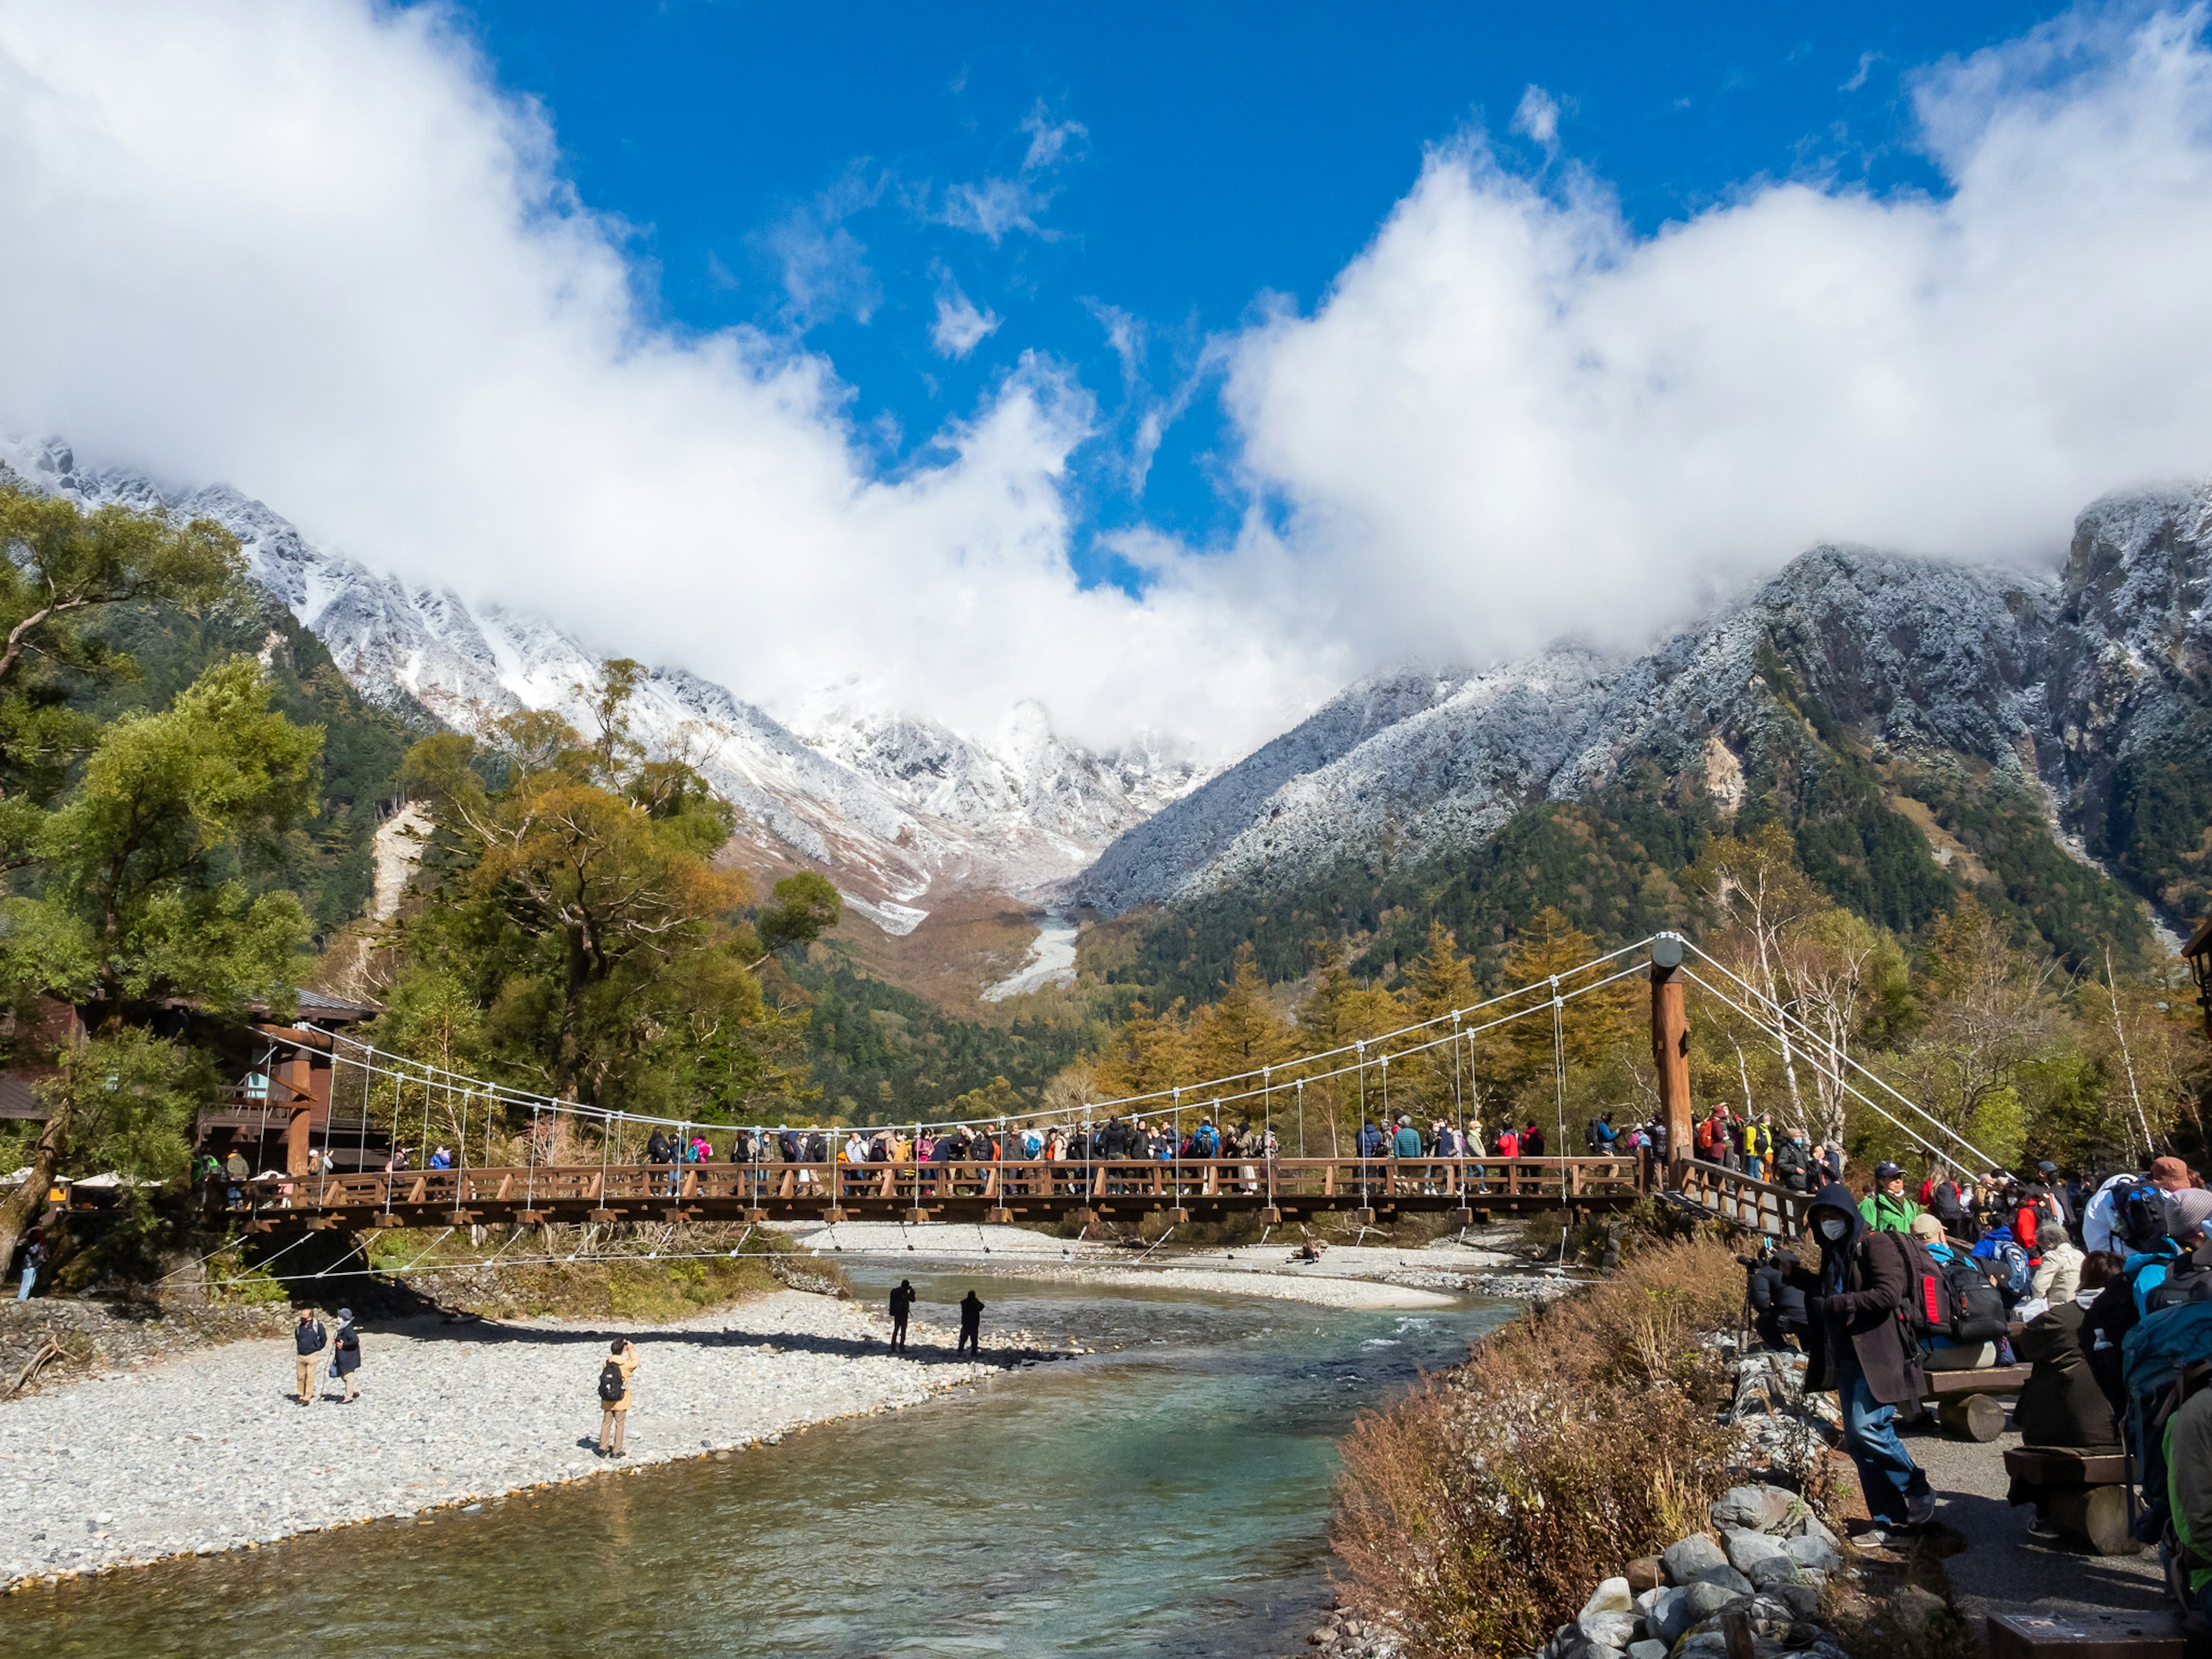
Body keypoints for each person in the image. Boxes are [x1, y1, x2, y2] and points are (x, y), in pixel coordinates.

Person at [1789, 1181, 1935, 1540]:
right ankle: (1888, 1520)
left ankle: (1916, 1486)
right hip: (1849, 1356)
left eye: (1834, 1216)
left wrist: (1837, 1305)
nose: (1828, 1223)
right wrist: (1793, 1275)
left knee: (1870, 1427)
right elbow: (1827, 1294)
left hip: (1880, 1353)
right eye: (1821, 1217)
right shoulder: (1835, 1253)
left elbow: (1887, 1294)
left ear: (1850, 1216)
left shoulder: (1875, 1244)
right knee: (1856, 1440)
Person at [2013, 1251, 2122, 1453]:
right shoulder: (2136, 1317)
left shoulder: (2056, 1320)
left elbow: (2027, 1349)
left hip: (2066, 1431)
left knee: (2046, 1366)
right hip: (2127, 1432)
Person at [2084, 1156, 2195, 1256]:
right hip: (2173, 1260)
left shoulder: (2098, 1202)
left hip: (2129, 1266)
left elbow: (2097, 1250)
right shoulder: (2162, 1193)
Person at [1744, 1248, 1807, 1351]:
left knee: (1762, 1323)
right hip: (1812, 1317)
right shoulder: (1796, 1267)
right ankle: (1807, 1351)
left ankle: (1785, 1350)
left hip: (1792, 1319)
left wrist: (1753, 1286)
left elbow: (1762, 1304)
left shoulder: (1765, 1272)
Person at [597, 1338, 639, 1457]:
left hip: (607, 1398)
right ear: (623, 1349)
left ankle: (603, 1448)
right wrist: (631, 1350)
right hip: (621, 1399)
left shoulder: (607, 1363)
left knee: (606, 1423)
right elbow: (636, 1362)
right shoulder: (626, 1364)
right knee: (619, 1424)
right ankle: (617, 1450)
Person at [1859, 1162, 1922, 1233]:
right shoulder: (1871, 1204)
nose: (1898, 1181)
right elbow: (1864, 1236)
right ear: (1881, 1181)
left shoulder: (1910, 1205)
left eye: (1900, 1177)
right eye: (1893, 1178)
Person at [293, 1306, 328, 1406]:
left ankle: (307, 1397)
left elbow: (324, 1338)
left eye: (304, 1316)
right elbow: (297, 1337)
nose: (302, 1317)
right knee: (300, 1376)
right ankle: (301, 1395)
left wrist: (318, 1348)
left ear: (310, 1317)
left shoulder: (317, 1326)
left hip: (312, 1354)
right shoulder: (299, 1327)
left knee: (310, 1376)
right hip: (301, 1355)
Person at [330, 1308, 362, 1403]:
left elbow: (355, 1341)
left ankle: (349, 1397)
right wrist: (336, 1341)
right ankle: (353, 1390)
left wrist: (344, 1345)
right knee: (343, 1375)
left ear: (344, 1318)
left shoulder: (348, 1329)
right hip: (344, 1356)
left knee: (348, 1376)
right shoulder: (342, 1328)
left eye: (340, 1317)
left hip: (350, 1357)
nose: (338, 1318)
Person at [15, 1230, 44, 1301]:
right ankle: (22, 1298)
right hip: (28, 1266)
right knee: (26, 1283)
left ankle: (24, 1297)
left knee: (31, 1284)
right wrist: (39, 1244)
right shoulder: (28, 1243)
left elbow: (40, 1255)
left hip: (34, 1266)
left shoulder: (36, 1245)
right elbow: (33, 1251)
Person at [889, 1279, 915, 1352]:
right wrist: (912, 1292)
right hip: (903, 1314)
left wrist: (892, 1312)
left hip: (897, 1313)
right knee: (903, 1331)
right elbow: (913, 1300)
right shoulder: (905, 1293)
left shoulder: (895, 1292)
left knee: (896, 1330)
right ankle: (902, 1348)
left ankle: (893, 1347)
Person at [957, 1290, 984, 1356]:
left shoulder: (964, 1303)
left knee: (963, 1339)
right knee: (974, 1339)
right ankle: (974, 1352)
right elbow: (982, 1307)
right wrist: (977, 1300)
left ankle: (960, 1351)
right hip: (974, 1324)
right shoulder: (975, 1303)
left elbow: (962, 1302)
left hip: (966, 1323)